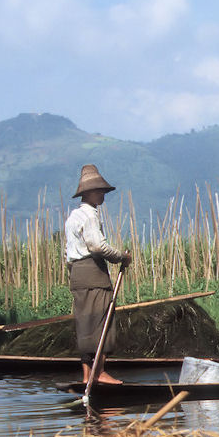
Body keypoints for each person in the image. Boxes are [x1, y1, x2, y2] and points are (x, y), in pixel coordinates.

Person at [64, 164, 131, 384]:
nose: (102, 195)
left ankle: (87, 375)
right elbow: (97, 247)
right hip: (92, 273)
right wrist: (121, 257)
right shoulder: (89, 216)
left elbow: (68, 252)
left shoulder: (72, 216)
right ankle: (99, 372)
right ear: (89, 193)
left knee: (85, 324)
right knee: (102, 322)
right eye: (99, 191)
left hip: (77, 275)